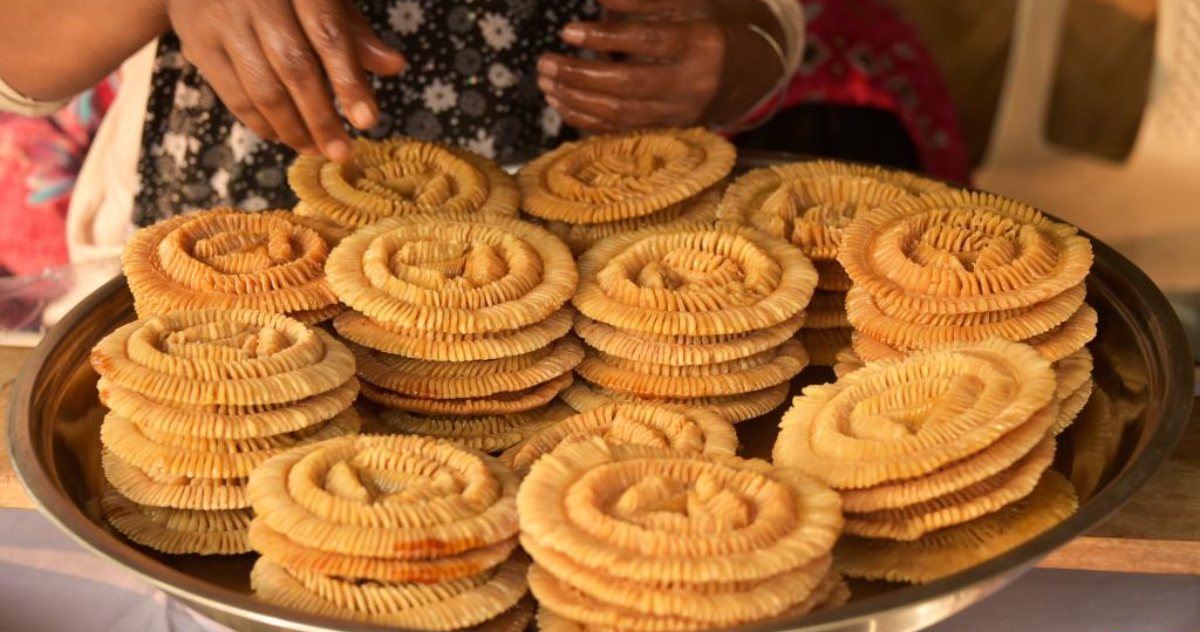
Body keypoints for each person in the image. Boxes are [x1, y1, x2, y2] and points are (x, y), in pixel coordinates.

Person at [0, 0, 966, 306]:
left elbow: (764, 29)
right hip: (216, 279)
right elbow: (22, 56)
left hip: (601, 294)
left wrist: (716, 58)